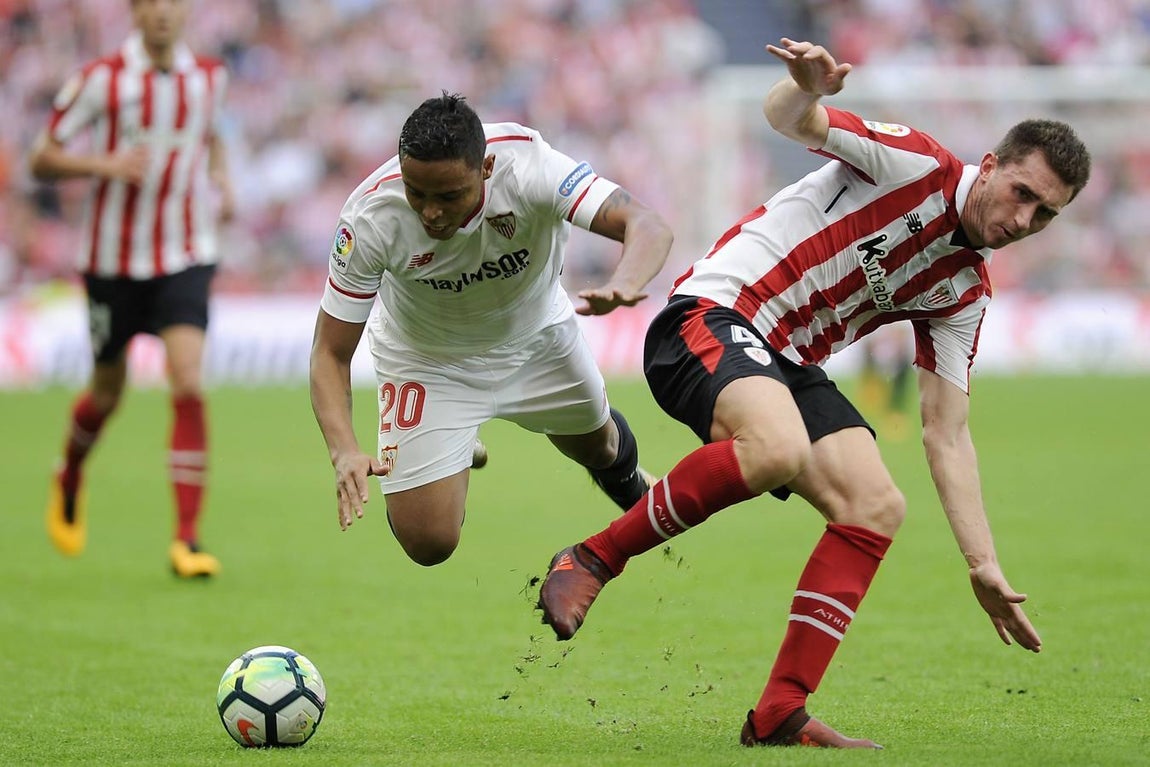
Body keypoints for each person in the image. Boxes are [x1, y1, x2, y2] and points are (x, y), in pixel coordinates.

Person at [537, 37, 1091, 749]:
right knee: (774, 447)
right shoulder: (915, 162)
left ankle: (780, 711)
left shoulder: (964, 292)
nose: (1022, 221)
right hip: (712, 314)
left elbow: (946, 430)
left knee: (875, 505)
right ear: (989, 168)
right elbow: (792, 120)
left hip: (786, 363)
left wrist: (982, 562)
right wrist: (803, 88)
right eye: (1022, 194)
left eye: (1045, 214)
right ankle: (590, 557)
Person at [309, 93, 672, 566]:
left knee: (600, 448)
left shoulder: (531, 168)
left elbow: (646, 223)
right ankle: (452, 447)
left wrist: (626, 282)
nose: (430, 212)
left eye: (447, 196)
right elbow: (329, 354)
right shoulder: (369, 218)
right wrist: (344, 452)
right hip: (428, 361)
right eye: (417, 193)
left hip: (537, 340)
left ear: (486, 168)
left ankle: (624, 481)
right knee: (428, 543)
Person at [31, 0, 234, 578]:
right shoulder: (101, 80)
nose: (164, 13)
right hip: (112, 263)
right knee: (106, 395)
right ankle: (70, 471)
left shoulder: (210, 77)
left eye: (174, 3)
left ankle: (187, 540)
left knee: (189, 381)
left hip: (185, 254)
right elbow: (40, 157)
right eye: (152, 3)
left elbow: (212, 135)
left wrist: (223, 178)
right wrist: (104, 164)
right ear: (135, 11)